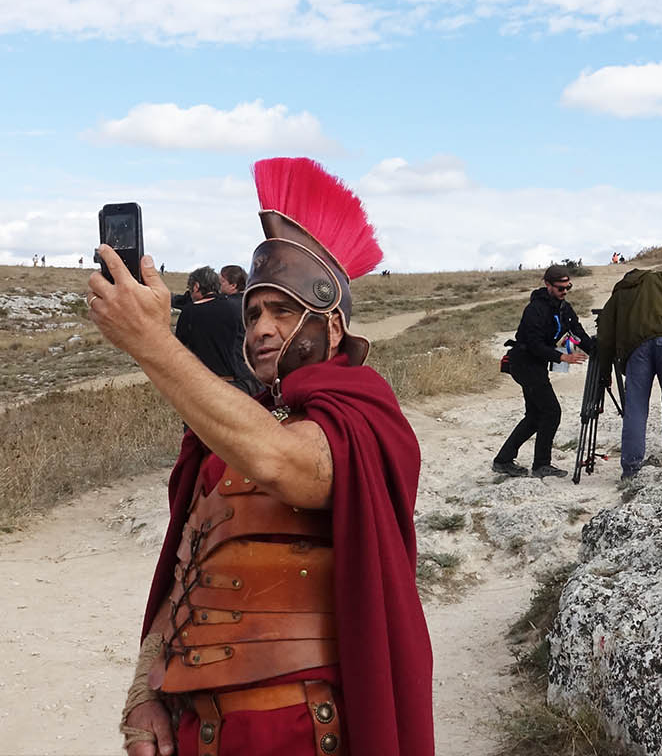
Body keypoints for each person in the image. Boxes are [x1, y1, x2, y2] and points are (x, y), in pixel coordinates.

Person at [86, 156, 432, 756]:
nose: (262, 329)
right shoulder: (228, 434)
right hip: (202, 731)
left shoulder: (361, 414)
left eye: (283, 310)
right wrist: (144, 691)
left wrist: (151, 343)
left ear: (333, 326)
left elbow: (287, 465)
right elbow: (188, 567)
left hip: (301, 731)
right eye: (252, 313)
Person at [593, 267, 662, 478]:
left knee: (636, 408)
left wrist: (605, 370)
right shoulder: (661, 279)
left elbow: (605, 334)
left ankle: (631, 468)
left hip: (636, 350)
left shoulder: (620, 292)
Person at [495, 265, 593, 478]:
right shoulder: (535, 309)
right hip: (524, 363)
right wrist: (561, 357)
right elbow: (534, 344)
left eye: (568, 287)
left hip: (537, 365)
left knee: (534, 416)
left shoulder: (564, 308)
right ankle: (541, 464)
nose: (565, 292)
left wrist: (597, 351)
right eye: (560, 288)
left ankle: (503, 460)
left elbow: (577, 333)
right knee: (551, 412)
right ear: (548, 285)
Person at [174, 266, 262, 397]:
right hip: (247, 380)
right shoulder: (238, 307)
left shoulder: (190, 312)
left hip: (210, 385)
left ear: (196, 286)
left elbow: (179, 347)